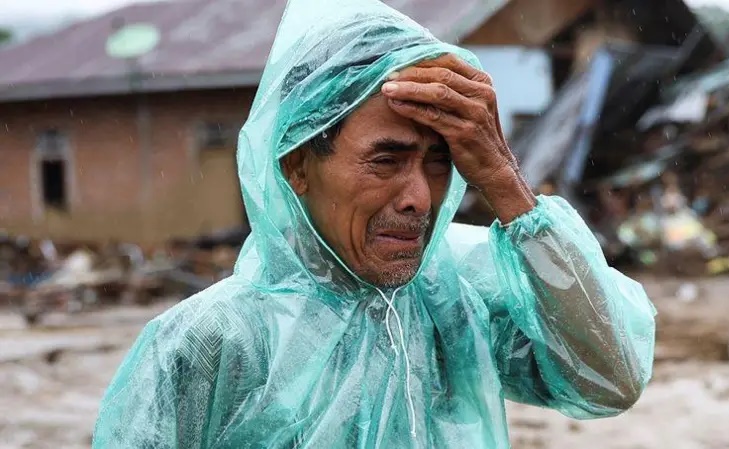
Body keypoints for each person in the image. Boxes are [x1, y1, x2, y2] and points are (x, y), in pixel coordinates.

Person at [92, 1, 656, 448]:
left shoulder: (457, 300)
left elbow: (608, 381)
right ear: (297, 165)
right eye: (385, 160)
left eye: (440, 162)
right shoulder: (214, 343)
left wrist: (504, 181)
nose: (419, 198)